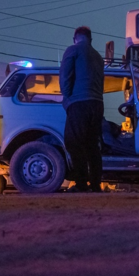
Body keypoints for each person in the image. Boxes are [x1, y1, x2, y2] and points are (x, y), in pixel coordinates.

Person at [60, 26, 105, 192]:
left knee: (73, 142)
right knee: (92, 145)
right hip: (97, 103)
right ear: (90, 39)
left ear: (75, 38)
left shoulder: (73, 50)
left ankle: (80, 184)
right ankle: (95, 184)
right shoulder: (98, 57)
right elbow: (101, 83)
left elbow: (65, 76)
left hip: (79, 103)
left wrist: (67, 99)